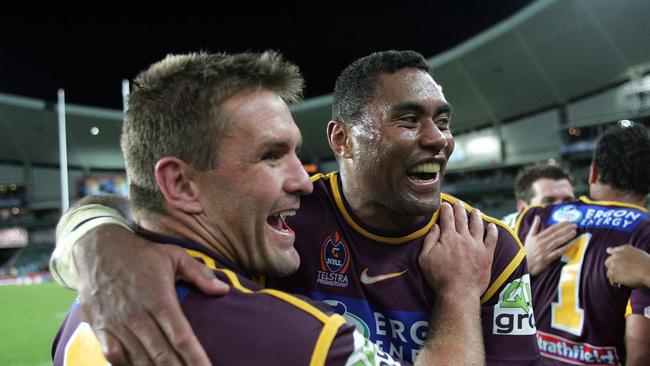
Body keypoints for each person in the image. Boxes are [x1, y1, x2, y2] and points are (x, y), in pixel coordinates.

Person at [51, 50, 541, 365]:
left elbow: (146, 208)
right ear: (342, 139)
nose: (438, 139)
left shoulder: (489, 249)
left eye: (443, 119)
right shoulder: (280, 232)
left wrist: (91, 233)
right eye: (409, 120)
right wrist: (100, 237)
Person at [515, 121, 650, 366]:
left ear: (593, 173)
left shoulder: (534, 219)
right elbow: (640, 352)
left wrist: (520, 266)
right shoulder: (644, 234)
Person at [502, 163, 578, 276]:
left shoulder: (585, 225)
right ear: (523, 208)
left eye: (568, 201)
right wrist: (525, 265)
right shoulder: (501, 238)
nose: (561, 209)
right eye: (549, 201)